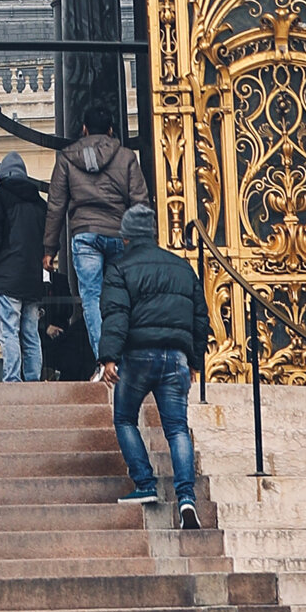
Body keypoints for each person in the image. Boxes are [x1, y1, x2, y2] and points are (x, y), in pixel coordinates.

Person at [99, 201, 203, 531]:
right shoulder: (182, 267)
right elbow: (200, 317)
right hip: (176, 357)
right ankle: (186, 498)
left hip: (138, 355)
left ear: (126, 237)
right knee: (176, 428)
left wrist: (109, 357)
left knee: (125, 417)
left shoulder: (119, 267)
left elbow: (117, 315)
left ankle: (145, 483)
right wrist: (196, 361)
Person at [42, 103, 148, 362]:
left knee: (91, 298)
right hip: (119, 234)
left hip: (85, 235)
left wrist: (49, 249)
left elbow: (56, 205)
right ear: (111, 130)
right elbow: (140, 202)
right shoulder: (126, 157)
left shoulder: (67, 158)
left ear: (84, 129)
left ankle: (106, 360)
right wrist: (142, 242)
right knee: (120, 297)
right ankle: (123, 358)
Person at [0, 151, 47, 383]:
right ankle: (34, 381)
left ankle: (12, 382)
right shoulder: (39, 203)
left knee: (9, 332)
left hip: (5, 277)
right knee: (30, 333)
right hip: (32, 278)